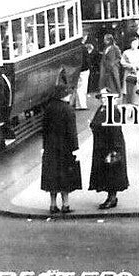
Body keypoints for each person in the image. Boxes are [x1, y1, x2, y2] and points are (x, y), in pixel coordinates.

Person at [41, 83, 81, 214]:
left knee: (52, 176)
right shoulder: (68, 110)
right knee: (65, 177)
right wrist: (75, 148)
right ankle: (66, 204)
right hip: (65, 148)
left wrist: (44, 146)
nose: (69, 96)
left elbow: (44, 130)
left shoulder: (49, 108)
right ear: (63, 96)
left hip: (50, 147)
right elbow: (72, 131)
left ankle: (53, 204)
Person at [89, 90, 128, 209]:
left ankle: (112, 197)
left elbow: (115, 130)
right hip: (102, 145)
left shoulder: (113, 110)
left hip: (111, 145)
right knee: (106, 171)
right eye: (101, 97)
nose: (103, 99)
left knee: (112, 171)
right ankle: (110, 197)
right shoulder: (102, 108)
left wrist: (115, 149)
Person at [120, 36, 139, 106]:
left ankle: (136, 106)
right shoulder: (126, 52)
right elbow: (122, 62)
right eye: (133, 43)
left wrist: (137, 66)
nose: (135, 45)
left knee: (137, 89)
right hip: (128, 73)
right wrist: (130, 66)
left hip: (138, 73)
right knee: (127, 90)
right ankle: (126, 106)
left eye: (136, 43)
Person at [98, 34, 124, 101]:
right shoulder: (105, 48)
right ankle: (111, 92)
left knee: (115, 79)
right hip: (106, 67)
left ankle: (118, 93)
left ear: (109, 40)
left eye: (106, 40)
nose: (104, 41)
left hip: (113, 67)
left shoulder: (115, 47)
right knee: (108, 80)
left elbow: (119, 57)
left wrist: (113, 63)